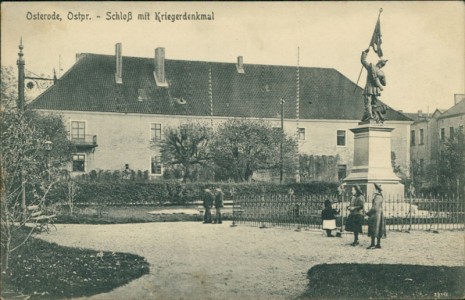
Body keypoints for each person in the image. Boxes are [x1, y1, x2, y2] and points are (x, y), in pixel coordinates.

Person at [361, 48, 388, 123]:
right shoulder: (382, 73)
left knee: (368, 102)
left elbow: (363, 61)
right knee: (374, 104)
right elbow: (384, 83)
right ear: (382, 65)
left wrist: (364, 53)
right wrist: (382, 79)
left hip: (369, 88)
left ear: (378, 63)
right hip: (376, 90)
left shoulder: (371, 66)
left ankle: (370, 116)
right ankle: (372, 116)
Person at [366, 183, 386, 249]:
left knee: (374, 229)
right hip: (379, 214)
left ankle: (373, 244)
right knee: (378, 229)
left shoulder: (377, 197)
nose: (373, 190)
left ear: (377, 190)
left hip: (376, 215)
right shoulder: (379, 196)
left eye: (374, 189)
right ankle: (378, 244)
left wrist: (368, 213)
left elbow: (375, 207)